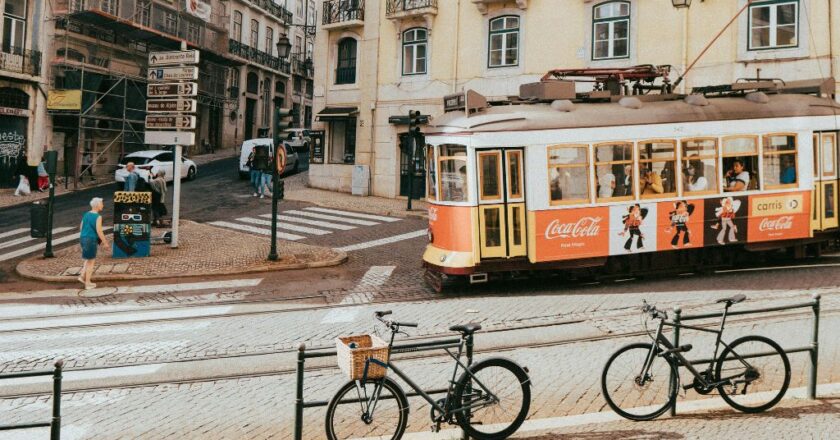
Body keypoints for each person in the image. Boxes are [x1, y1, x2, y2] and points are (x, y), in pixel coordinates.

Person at [78, 197, 109, 290]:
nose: (103, 205)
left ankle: (82, 275)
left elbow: (81, 227)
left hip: (83, 238)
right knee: (91, 262)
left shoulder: (86, 214)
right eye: (102, 203)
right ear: (98, 205)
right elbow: (99, 231)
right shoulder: (98, 217)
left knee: (88, 258)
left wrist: (85, 234)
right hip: (91, 240)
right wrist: (105, 242)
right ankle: (88, 283)